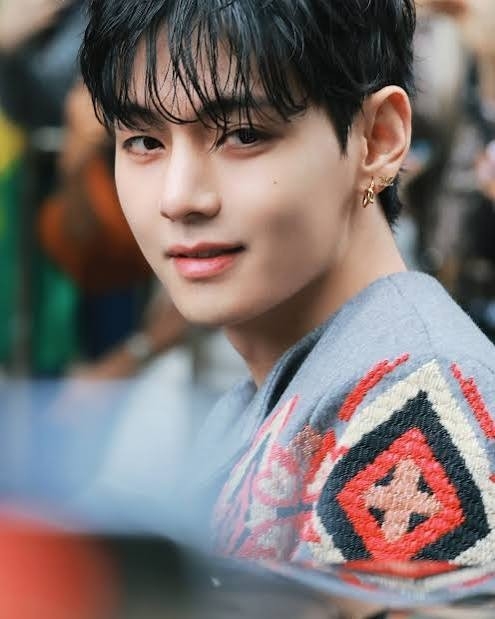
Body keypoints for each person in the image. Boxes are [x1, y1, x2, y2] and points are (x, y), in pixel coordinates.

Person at [79, 0, 495, 569]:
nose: (179, 198)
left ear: (377, 140)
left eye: (244, 134)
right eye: (144, 142)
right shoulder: (266, 399)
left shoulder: (420, 412)